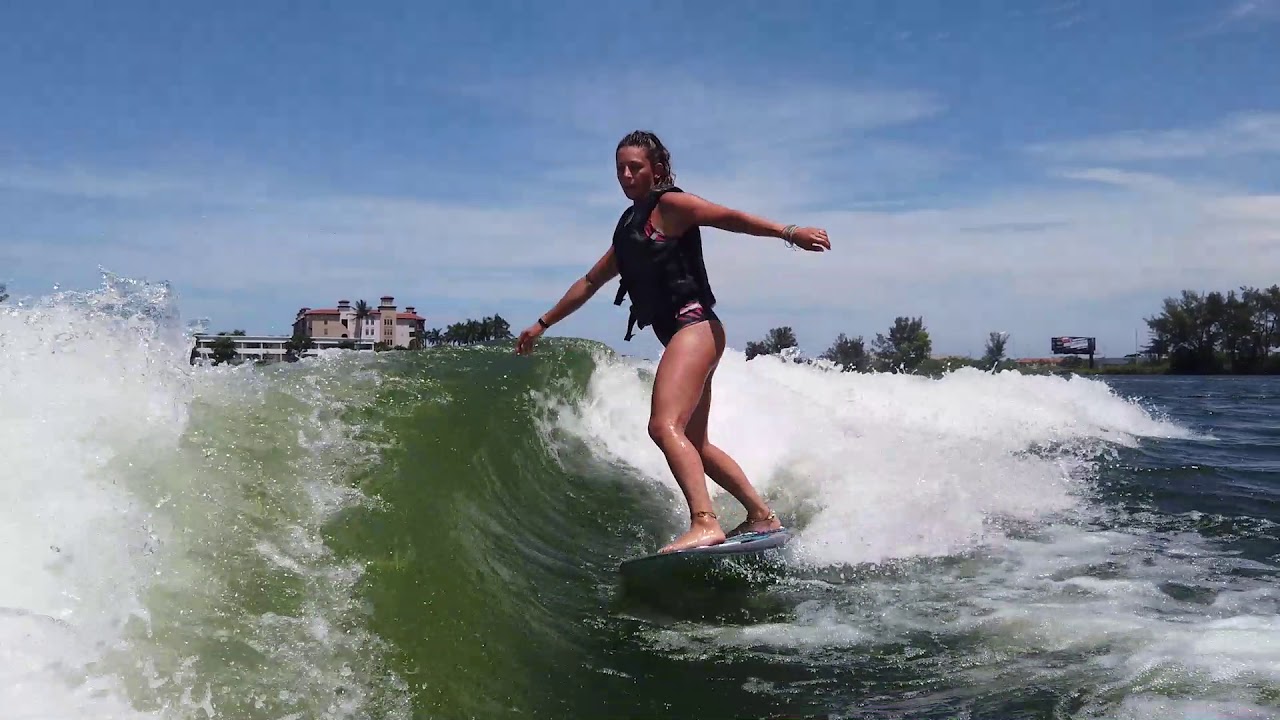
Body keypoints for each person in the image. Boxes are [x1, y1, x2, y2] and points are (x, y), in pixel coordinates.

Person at [515, 130, 831, 553]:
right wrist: (542, 323)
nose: (626, 175)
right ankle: (761, 514)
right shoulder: (629, 227)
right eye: (620, 169)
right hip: (695, 334)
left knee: (663, 426)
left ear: (657, 170)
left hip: (694, 327)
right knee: (695, 443)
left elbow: (727, 216)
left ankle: (705, 522)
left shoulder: (671, 206)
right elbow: (590, 281)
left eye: (636, 167)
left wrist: (788, 232)